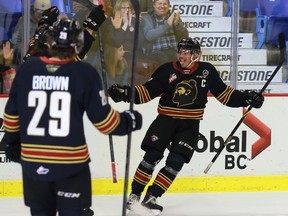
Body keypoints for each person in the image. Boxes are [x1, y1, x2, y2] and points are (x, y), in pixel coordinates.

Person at [1, 18, 142, 216]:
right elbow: (106, 123)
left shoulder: (28, 69)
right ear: (78, 45)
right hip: (70, 166)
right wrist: (129, 121)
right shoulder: (84, 73)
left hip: (34, 164)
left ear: (50, 42)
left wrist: (11, 143)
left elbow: (11, 117)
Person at [108, 37, 264, 215]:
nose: (181, 55)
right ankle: (134, 195)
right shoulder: (167, 70)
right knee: (151, 157)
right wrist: (125, 93)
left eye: (186, 52)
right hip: (165, 121)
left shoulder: (207, 71)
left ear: (196, 55)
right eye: (180, 51)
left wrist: (247, 98)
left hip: (190, 125)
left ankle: (152, 196)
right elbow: (147, 92)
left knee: (175, 162)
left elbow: (225, 95)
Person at [142, 0, 189, 65]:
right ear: (154, 5)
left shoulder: (174, 16)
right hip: (157, 52)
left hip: (175, 51)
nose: (162, 6)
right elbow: (149, 36)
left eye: (165, 4)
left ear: (169, 6)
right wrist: (167, 25)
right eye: (159, 4)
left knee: (184, 60)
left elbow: (185, 37)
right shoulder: (148, 18)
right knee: (166, 64)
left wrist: (177, 25)